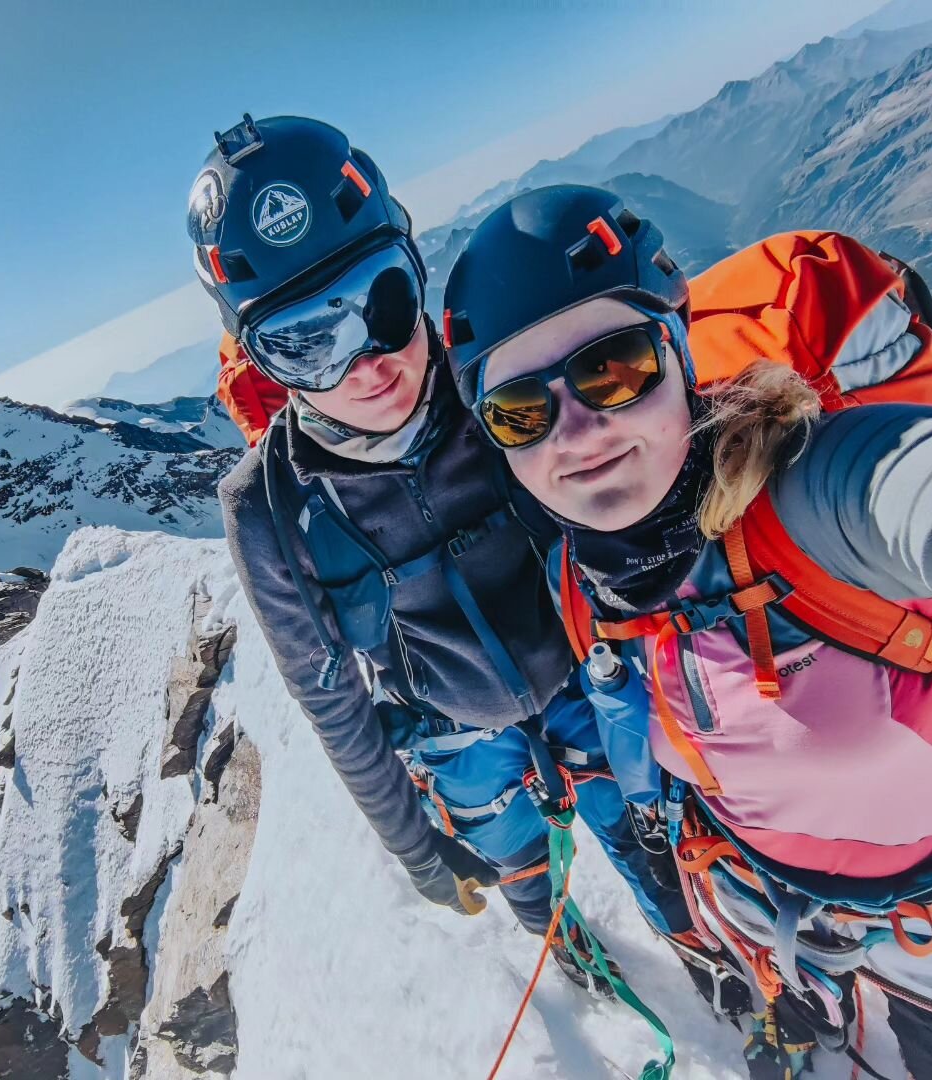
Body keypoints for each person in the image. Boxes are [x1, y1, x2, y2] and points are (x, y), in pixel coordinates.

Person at [442, 184, 932, 1080]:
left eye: (613, 369)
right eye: (521, 413)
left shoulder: (827, 496)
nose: (578, 432)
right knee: (814, 1016)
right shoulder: (583, 585)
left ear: (678, 346)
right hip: (766, 902)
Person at [188, 116, 694, 993]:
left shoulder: (510, 383)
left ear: (413, 264)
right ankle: (590, 980)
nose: (368, 365)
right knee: (531, 889)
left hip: (592, 683)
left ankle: (711, 971)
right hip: (459, 743)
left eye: (382, 305)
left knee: (667, 860)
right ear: (261, 357)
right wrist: (417, 850)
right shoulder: (267, 509)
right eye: (308, 342)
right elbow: (330, 696)